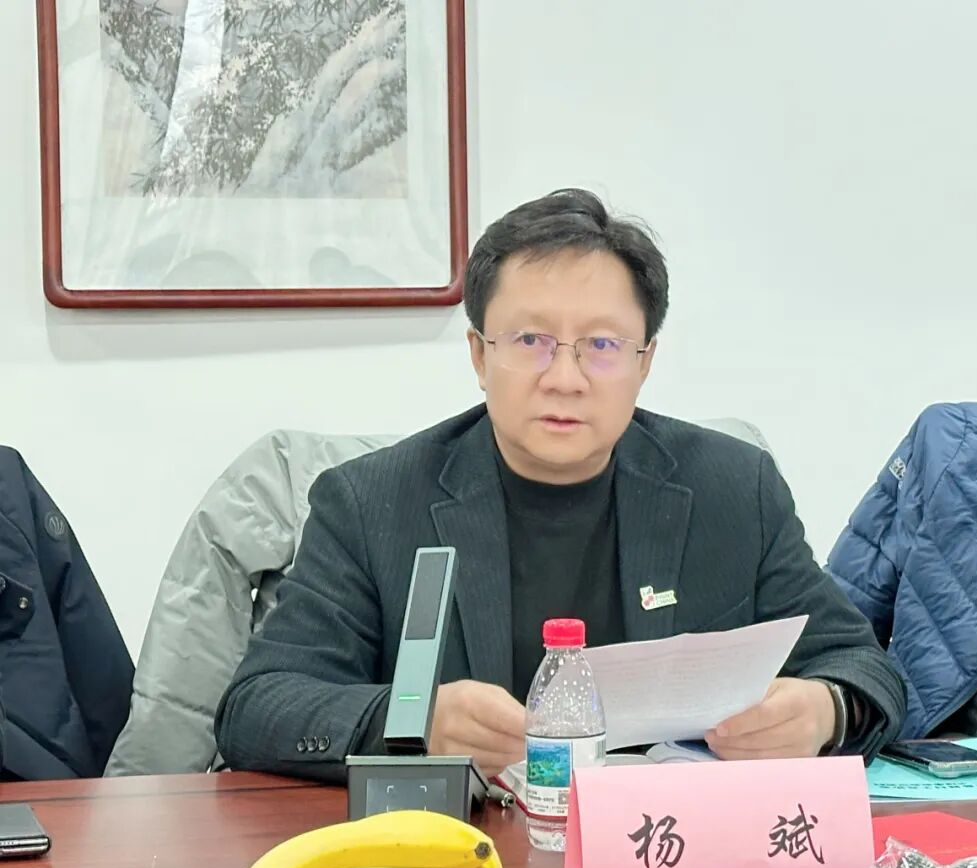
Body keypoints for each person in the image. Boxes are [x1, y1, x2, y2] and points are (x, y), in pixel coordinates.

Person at [215, 189, 906, 783]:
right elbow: (257, 707)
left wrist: (823, 710)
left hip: (669, 851)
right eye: (530, 342)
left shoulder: (733, 488)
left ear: (645, 363)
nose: (565, 378)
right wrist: (413, 720)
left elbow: (863, 666)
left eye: (602, 346)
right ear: (479, 355)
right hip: (465, 851)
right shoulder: (372, 504)